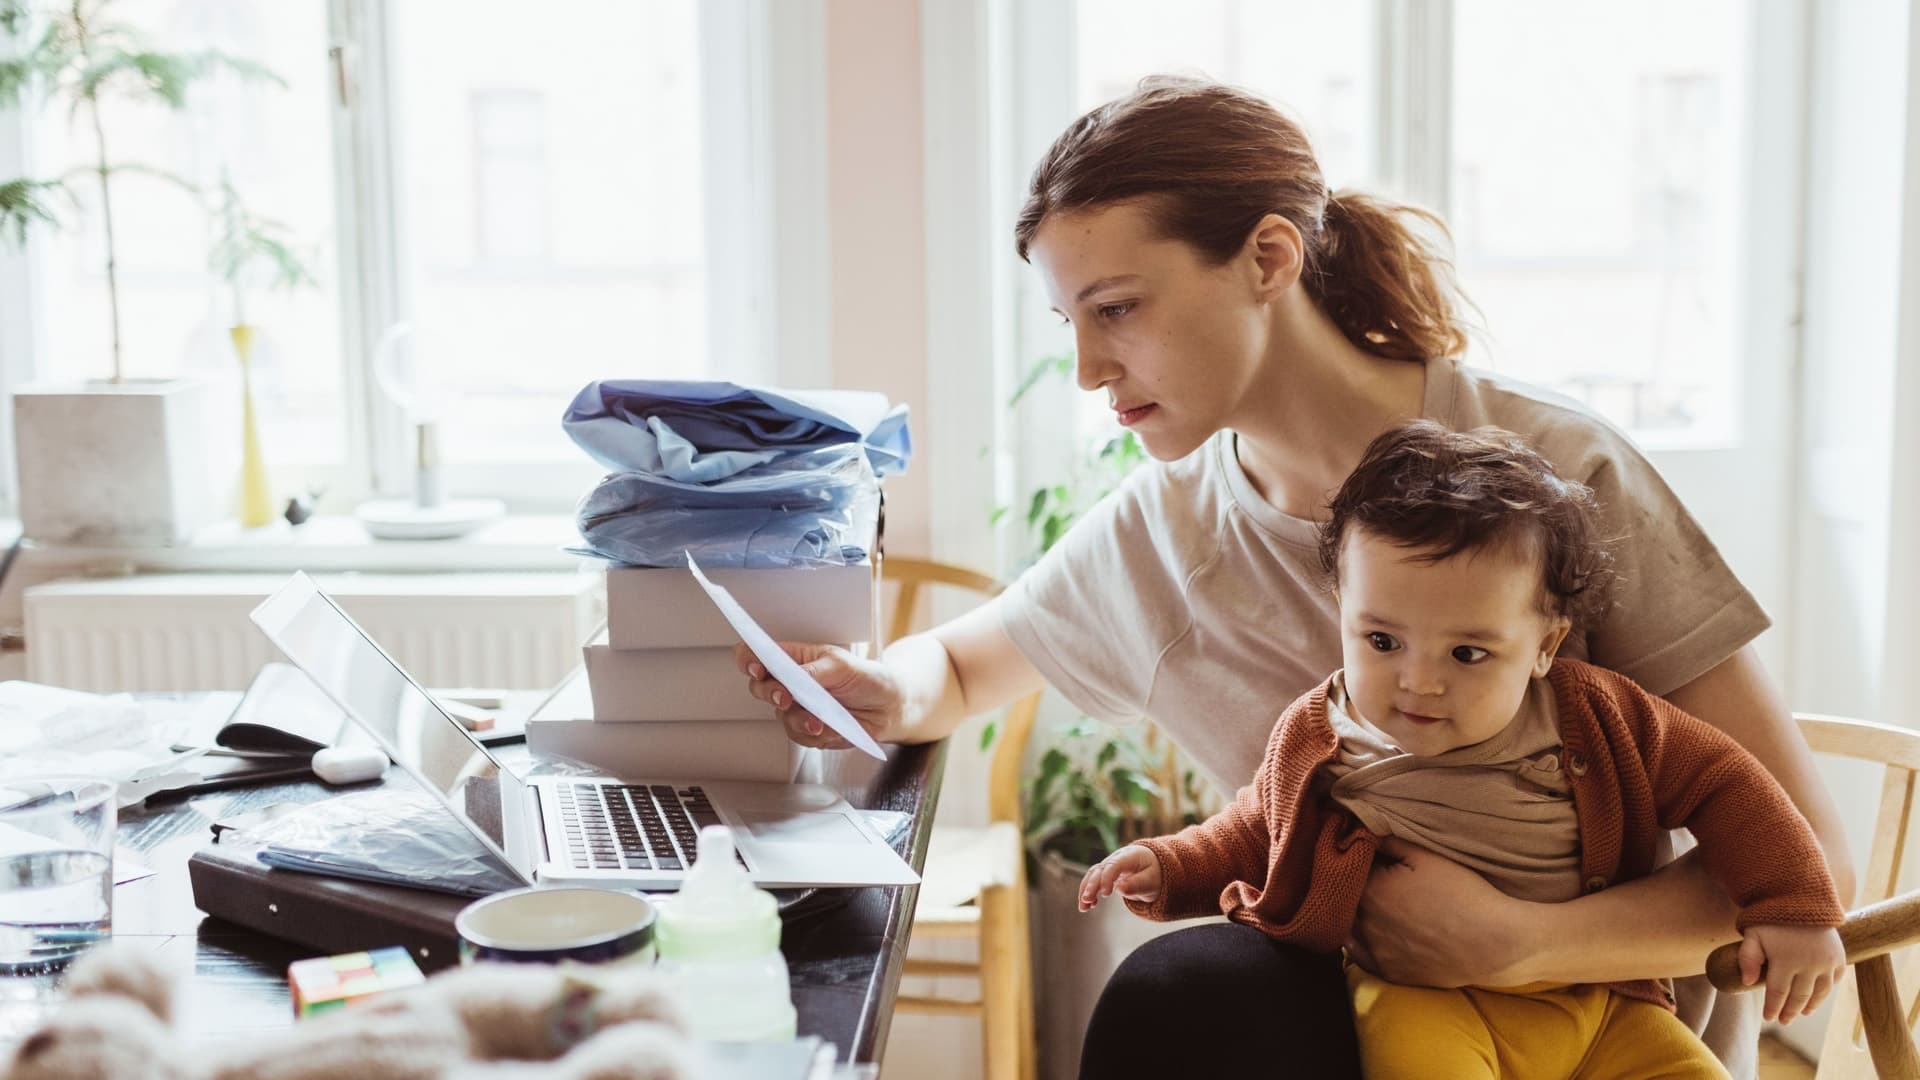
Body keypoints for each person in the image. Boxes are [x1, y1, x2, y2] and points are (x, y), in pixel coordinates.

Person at [731, 77, 1855, 1078]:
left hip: (1606, 1017)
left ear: (1270, 258)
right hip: (1366, 1004)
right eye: (1069, 321)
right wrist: (879, 690)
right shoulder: (1159, 532)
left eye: (1118, 309)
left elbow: (1814, 856)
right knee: (1182, 993)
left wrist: (1520, 943)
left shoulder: (1553, 475)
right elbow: (960, 668)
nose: (1086, 368)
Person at [1076, 420, 1846, 1080]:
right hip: (1428, 1001)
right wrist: (1173, 865)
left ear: (1544, 646)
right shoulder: (1325, 734)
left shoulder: (1597, 717)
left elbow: (1729, 784)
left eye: (1469, 654)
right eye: (1382, 640)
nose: (1419, 683)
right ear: (1342, 609)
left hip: (1603, 1000)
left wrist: (1794, 906)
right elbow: (1258, 828)